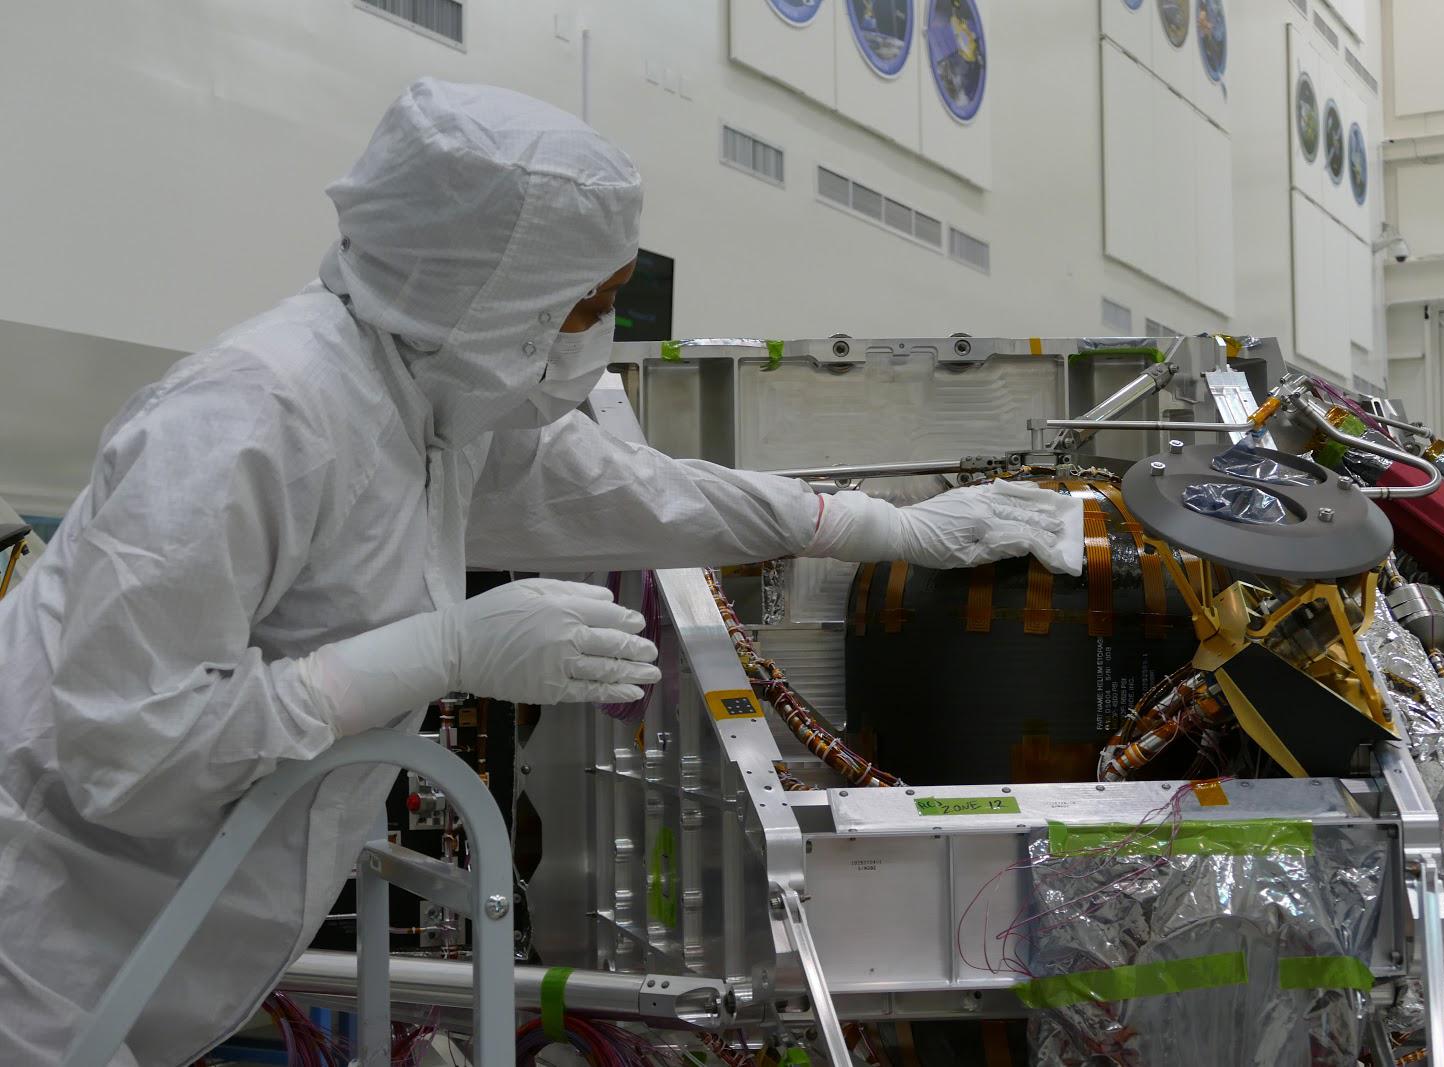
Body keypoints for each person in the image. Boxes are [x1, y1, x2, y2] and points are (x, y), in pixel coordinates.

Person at [0, 78, 1082, 1065]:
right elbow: (125, 746)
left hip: (148, 962)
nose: (596, 336)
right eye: (584, 305)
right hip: (37, 948)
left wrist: (879, 526)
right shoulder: (249, 419)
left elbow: (637, 491)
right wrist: (437, 651)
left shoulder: (434, 402)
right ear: (479, 287)